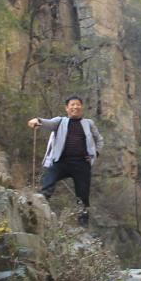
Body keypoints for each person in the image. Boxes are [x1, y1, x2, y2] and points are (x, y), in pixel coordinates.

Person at [28, 95, 104, 227]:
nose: (75, 107)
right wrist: (37, 120)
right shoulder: (60, 121)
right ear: (67, 108)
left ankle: (83, 225)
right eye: (72, 105)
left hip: (82, 164)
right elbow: (48, 123)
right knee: (48, 180)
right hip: (61, 162)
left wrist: (95, 153)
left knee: (83, 196)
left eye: (78, 104)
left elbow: (99, 140)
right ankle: (40, 208)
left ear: (81, 107)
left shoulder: (88, 123)